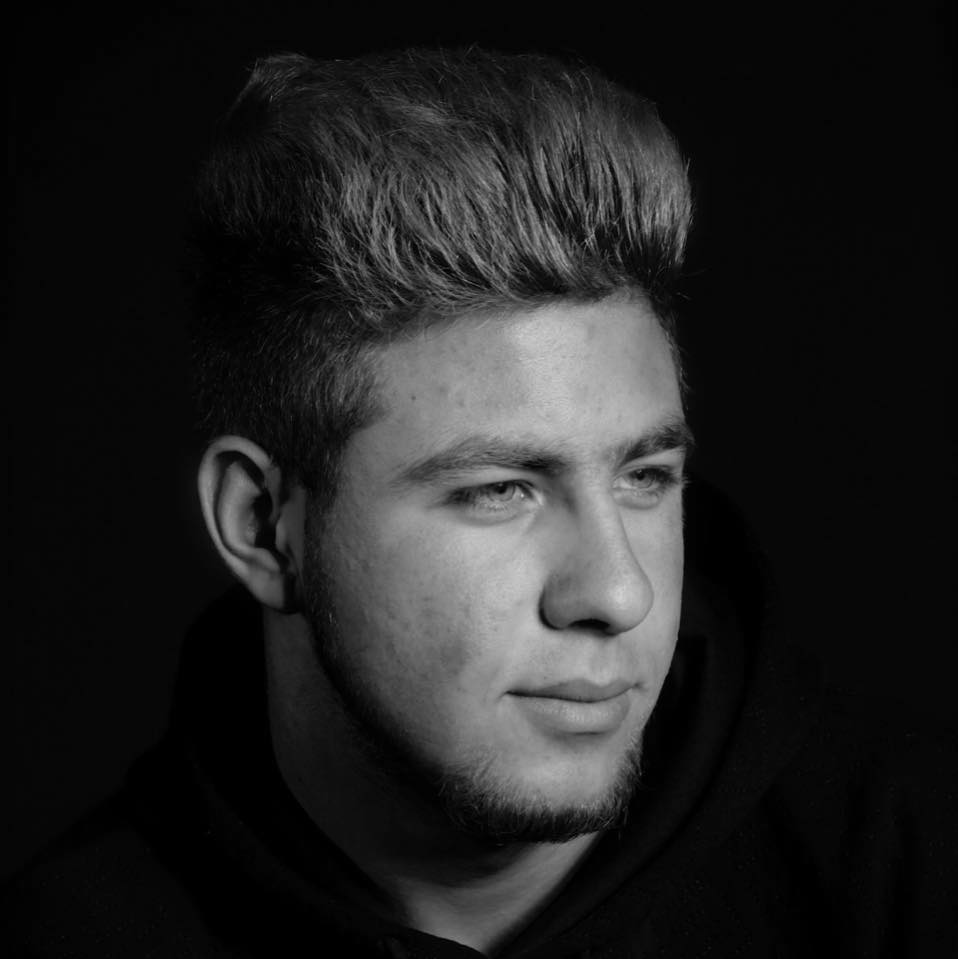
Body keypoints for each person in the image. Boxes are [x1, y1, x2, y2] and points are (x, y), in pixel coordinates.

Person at [3, 47, 955, 958]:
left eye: (645, 476)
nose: (616, 593)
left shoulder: (904, 875)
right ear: (262, 526)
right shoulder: (72, 937)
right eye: (500, 489)